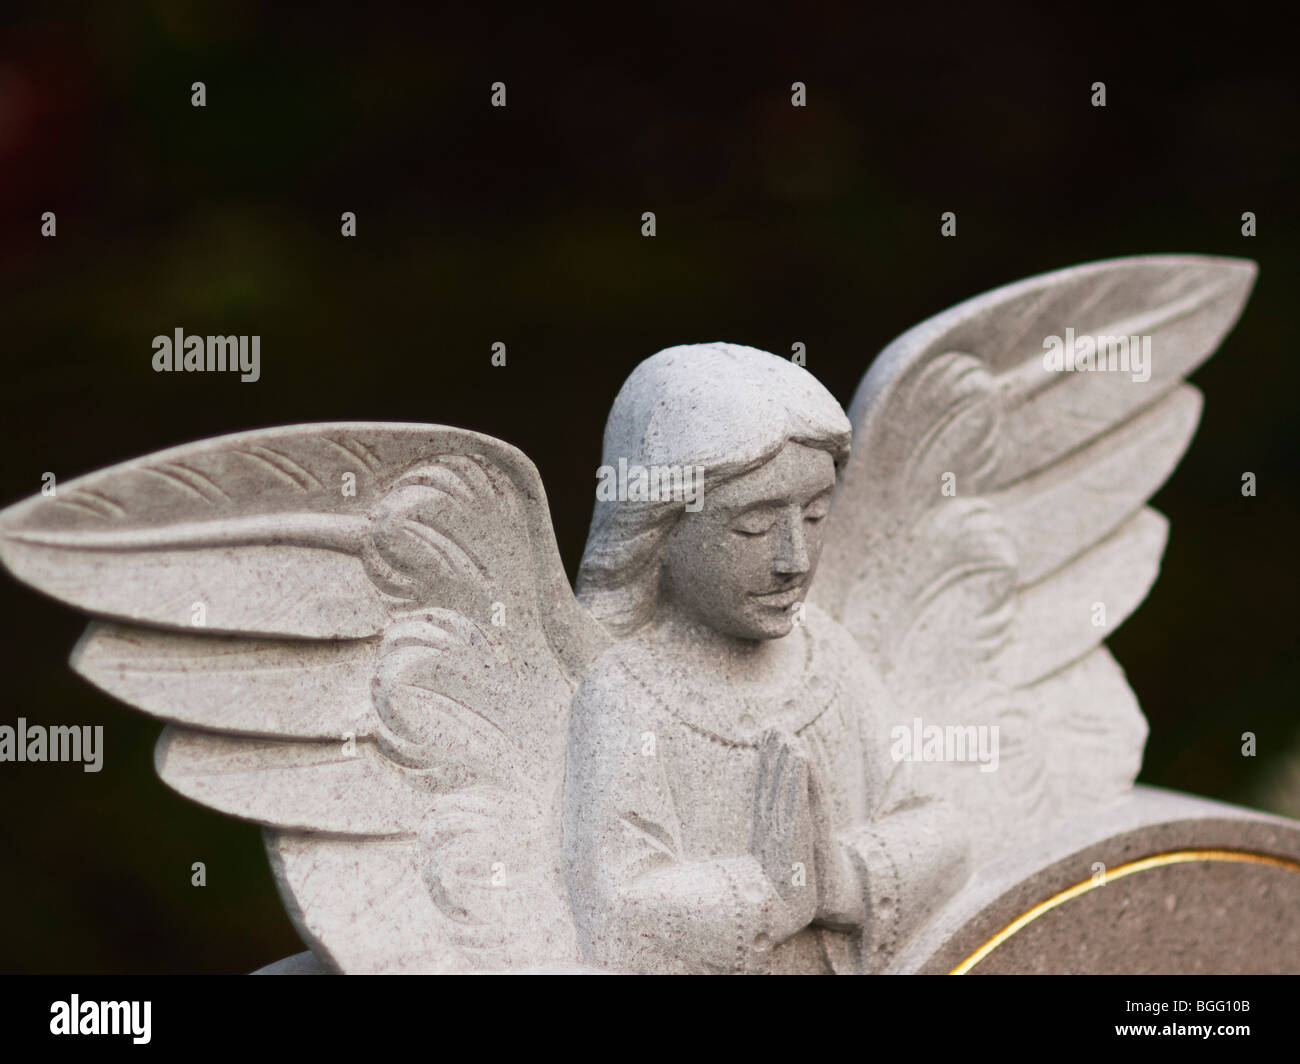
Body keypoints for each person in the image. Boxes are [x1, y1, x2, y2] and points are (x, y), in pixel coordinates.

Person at [564, 342, 969, 974]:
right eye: (751, 528)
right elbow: (617, 915)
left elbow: (941, 827)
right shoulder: (626, 694)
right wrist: (770, 894)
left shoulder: (828, 656)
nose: (793, 560)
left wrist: (842, 880)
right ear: (658, 528)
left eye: (813, 516)